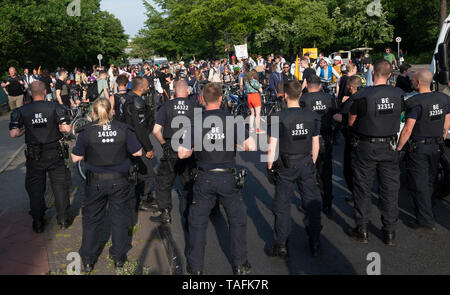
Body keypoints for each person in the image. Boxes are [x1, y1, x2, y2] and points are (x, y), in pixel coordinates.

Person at [178, 82, 256, 275]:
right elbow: (250, 145)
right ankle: (240, 264)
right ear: (221, 99)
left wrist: (198, 146)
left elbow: (182, 154)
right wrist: (230, 145)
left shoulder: (195, 122)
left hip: (204, 177)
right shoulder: (232, 120)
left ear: (202, 99)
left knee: (197, 222)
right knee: (237, 220)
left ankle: (195, 267)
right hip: (228, 177)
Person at [71, 98, 143, 273]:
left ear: (93, 113)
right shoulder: (123, 129)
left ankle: (88, 260)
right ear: (112, 111)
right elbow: (138, 152)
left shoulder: (87, 132)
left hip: (95, 182)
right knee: (119, 219)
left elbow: (75, 158)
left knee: (92, 220)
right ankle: (119, 258)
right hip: (119, 181)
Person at [347, 60, 405, 246]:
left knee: (362, 188)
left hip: (366, 146)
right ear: (390, 75)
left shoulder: (362, 96)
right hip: (389, 146)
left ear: (372, 74)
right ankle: (389, 232)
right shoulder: (400, 95)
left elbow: (350, 122)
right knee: (389, 190)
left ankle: (362, 229)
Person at [266, 80, 322, 258]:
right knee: (311, 203)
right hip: (306, 162)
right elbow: (316, 144)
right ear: (300, 94)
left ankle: (281, 244)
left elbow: (271, 146)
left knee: (282, 205)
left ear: (285, 95)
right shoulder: (312, 116)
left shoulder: (278, 117)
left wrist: (269, 168)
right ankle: (314, 241)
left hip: (286, 165)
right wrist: (311, 163)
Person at [9, 81, 72, 233]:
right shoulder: (55, 107)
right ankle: (63, 220)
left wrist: (27, 129)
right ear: (45, 92)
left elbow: (14, 133)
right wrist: (56, 126)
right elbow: (67, 129)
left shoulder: (21, 110)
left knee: (35, 189)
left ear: (30, 93)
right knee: (59, 186)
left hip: (34, 155)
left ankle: (38, 221)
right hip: (54, 153)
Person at [397, 70, 450, 231]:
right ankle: (429, 211)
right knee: (430, 181)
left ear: (418, 83)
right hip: (436, 146)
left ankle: (425, 220)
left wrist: (399, 148)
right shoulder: (444, 98)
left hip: (419, 147)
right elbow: (446, 124)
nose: (411, 82)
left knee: (418, 184)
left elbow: (407, 129)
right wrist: (440, 137)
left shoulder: (415, 102)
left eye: (413, 80)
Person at [151, 80, 197, 224]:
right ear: (188, 91)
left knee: (163, 182)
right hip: (189, 149)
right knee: (188, 183)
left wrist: (164, 144)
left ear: (174, 92)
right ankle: (190, 214)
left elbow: (156, 131)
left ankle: (165, 213)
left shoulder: (166, 106)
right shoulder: (195, 106)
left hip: (171, 147)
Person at [301, 75, 338, 215]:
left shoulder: (303, 100)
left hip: (309, 141)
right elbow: (337, 114)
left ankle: (309, 205)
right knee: (326, 173)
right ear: (320, 86)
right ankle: (327, 204)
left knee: (309, 174)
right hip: (326, 139)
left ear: (308, 85)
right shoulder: (329, 98)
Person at [123, 77, 156, 213]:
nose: (149, 88)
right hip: (136, 141)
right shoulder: (137, 102)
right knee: (147, 171)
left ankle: (142, 197)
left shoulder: (124, 97)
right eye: (147, 86)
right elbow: (139, 127)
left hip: (125, 139)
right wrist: (148, 148)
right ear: (141, 87)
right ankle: (142, 199)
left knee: (133, 171)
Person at [244, 69, 264, 134]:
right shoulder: (255, 81)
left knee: (252, 114)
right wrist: (260, 86)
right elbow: (261, 90)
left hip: (249, 97)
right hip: (255, 96)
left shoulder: (247, 81)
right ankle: (258, 130)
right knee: (257, 114)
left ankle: (251, 128)